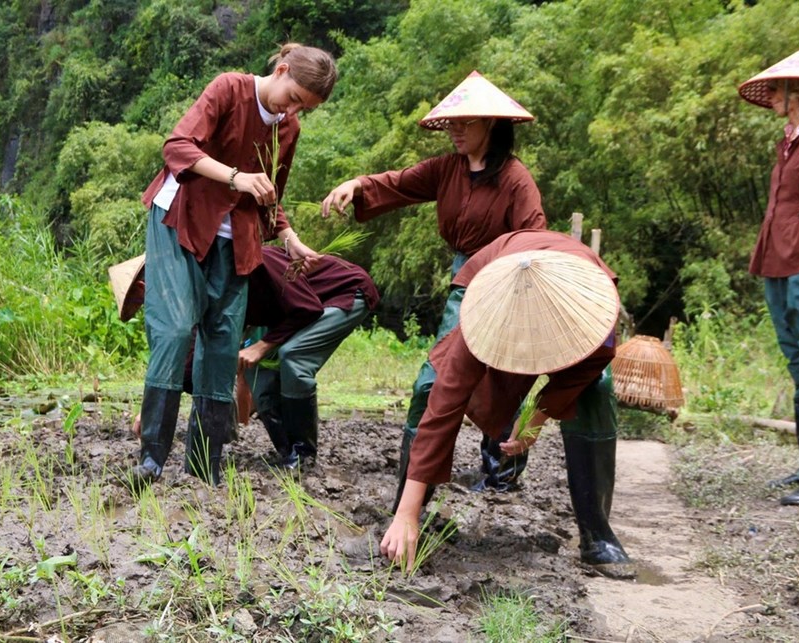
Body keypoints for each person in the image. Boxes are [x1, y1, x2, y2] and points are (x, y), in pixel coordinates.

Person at [320, 71, 547, 499]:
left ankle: (501, 478)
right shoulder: (447, 170)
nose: (455, 132)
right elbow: (399, 182)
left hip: (507, 283)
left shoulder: (517, 180)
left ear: (491, 125)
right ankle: (415, 479)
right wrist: (356, 184)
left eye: (465, 124)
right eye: (452, 124)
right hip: (465, 281)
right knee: (434, 378)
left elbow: (535, 239)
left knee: (503, 377)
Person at [125, 43, 338, 489]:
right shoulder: (230, 89)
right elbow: (177, 147)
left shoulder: (289, 127)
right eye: (294, 97)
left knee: (223, 347)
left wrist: (289, 237)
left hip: (235, 239)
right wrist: (236, 177)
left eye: (304, 107)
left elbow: (271, 192)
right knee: (177, 328)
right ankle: (151, 460)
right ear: (280, 71)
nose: (293, 110)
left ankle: (204, 466)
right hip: (181, 220)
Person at [379, 229, 634, 578]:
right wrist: (407, 513)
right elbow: (444, 405)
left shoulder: (593, 307)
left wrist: (537, 416)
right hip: (491, 277)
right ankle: (407, 512)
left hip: (565, 280)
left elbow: (590, 365)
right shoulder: (482, 316)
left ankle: (597, 535)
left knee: (598, 388)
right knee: (431, 382)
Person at [738, 47, 799, 506]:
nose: (771, 96)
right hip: (778, 258)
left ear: (798, 90)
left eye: (776, 88)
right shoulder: (792, 135)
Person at [240, 246, 380, 468]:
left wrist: (262, 346)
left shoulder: (260, 260)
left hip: (343, 292)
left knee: (293, 355)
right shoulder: (218, 289)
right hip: (293, 311)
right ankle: (288, 452)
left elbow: (307, 309)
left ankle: (303, 453)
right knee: (257, 370)